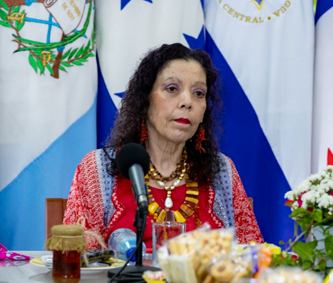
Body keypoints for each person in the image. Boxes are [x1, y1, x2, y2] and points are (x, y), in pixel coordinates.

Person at [64, 43, 263, 250]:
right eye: (171, 89)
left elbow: (254, 257)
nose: (187, 102)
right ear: (145, 100)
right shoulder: (97, 168)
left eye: (198, 93)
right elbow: (78, 262)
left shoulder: (221, 170)